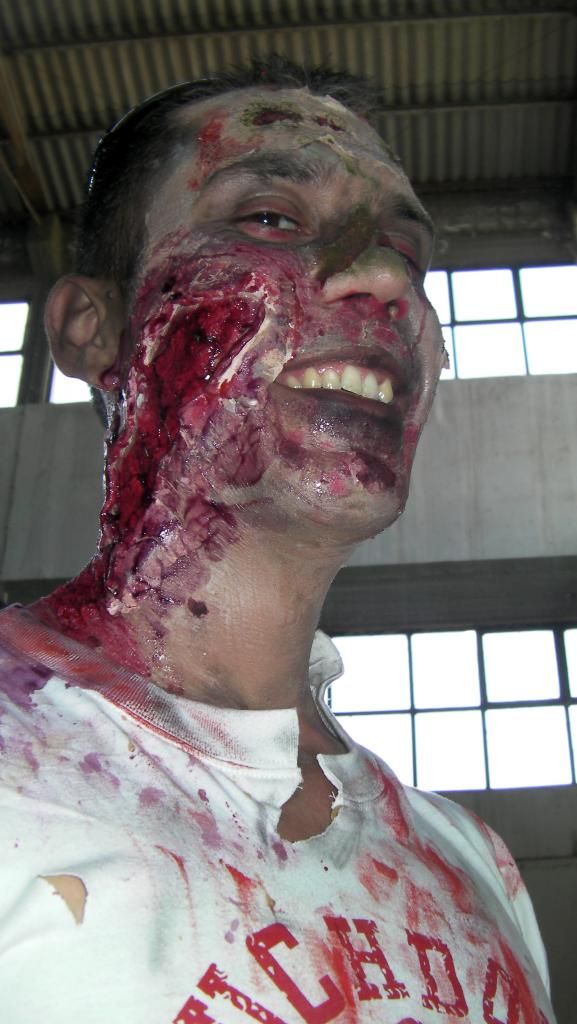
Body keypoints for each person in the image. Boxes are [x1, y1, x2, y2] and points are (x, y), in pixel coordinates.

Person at [0, 58, 555, 1024]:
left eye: (407, 253)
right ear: (93, 328)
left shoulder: (474, 866)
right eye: (269, 218)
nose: (388, 279)